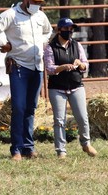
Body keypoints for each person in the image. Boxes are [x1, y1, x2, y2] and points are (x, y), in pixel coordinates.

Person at [0, 0, 52, 161]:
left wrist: (43, 43)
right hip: (19, 66)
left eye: (40, 3)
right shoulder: (11, 14)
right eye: (35, 2)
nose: (37, 5)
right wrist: (3, 44)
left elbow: (48, 31)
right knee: (19, 108)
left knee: (31, 108)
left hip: (37, 67)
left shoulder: (40, 16)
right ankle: (16, 149)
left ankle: (29, 147)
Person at [44, 18, 97, 159]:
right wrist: (62, 67)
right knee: (59, 119)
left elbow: (85, 63)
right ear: (59, 30)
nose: (69, 32)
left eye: (71, 29)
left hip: (76, 86)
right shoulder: (50, 47)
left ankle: (86, 143)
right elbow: (49, 68)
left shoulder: (77, 45)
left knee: (82, 117)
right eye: (66, 29)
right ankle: (61, 150)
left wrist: (81, 64)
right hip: (57, 88)